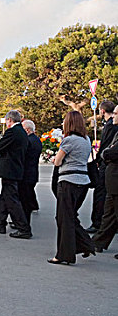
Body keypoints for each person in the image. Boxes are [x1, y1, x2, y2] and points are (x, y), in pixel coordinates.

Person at [48, 111, 95, 264]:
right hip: (83, 181)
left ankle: (64, 255)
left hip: (68, 180)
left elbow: (58, 162)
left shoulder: (68, 140)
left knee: (64, 218)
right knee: (71, 215)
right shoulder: (86, 140)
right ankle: (85, 244)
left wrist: (55, 157)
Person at [0, 110, 31, 239]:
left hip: (10, 169)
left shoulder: (12, 132)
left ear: (10, 120)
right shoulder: (22, 132)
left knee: (11, 199)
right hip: (16, 168)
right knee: (4, 197)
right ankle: (1, 223)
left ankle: (23, 228)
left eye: (6, 120)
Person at [87, 101, 118, 234]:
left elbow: (106, 146)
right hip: (108, 162)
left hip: (107, 164)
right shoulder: (111, 125)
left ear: (102, 111)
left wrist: (99, 158)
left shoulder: (111, 126)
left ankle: (97, 222)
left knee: (101, 193)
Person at [92, 104, 118, 257]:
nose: (112, 116)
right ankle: (98, 242)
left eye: (115, 114)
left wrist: (106, 153)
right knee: (109, 214)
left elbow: (112, 152)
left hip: (115, 180)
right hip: (112, 181)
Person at [18, 120, 42, 225]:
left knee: (24, 200)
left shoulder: (28, 141)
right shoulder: (37, 140)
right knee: (27, 196)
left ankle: (23, 222)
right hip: (33, 172)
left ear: (27, 130)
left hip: (25, 173)